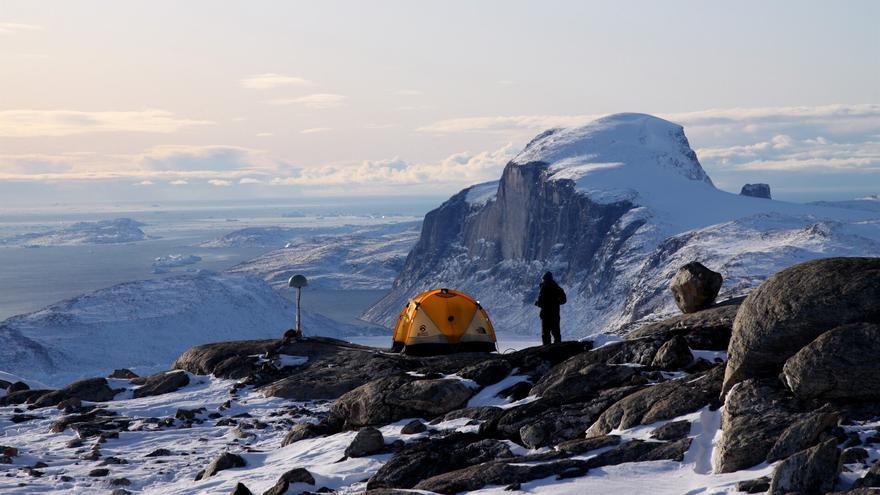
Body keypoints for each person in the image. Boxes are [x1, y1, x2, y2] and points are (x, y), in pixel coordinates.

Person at [535, 271, 567, 345]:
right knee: (556, 333)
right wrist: (556, 302)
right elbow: (564, 300)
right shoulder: (558, 288)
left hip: (546, 315)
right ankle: (558, 350)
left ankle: (547, 351)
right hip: (555, 314)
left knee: (545, 334)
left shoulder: (544, 288)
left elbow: (541, 302)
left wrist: (537, 303)